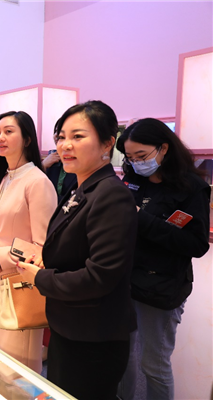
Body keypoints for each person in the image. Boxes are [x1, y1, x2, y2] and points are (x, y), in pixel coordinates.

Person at [16, 101, 138, 399]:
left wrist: (40, 278)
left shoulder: (111, 195)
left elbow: (100, 276)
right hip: (69, 324)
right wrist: (44, 258)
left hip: (94, 335)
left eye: (78, 136)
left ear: (107, 144)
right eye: (61, 137)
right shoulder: (80, 187)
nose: (65, 145)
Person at [116, 118, 210, 400]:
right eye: (130, 158)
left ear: (164, 148)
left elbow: (196, 244)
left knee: (154, 364)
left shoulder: (191, 187)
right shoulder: (133, 179)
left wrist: (141, 219)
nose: (136, 163)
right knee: (122, 355)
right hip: (125, 279)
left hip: (161, 287)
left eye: (141, 156)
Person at [0, 111, 57, 375]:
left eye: (9, 132)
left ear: (27, 139)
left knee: (17, 371)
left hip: (20, 286)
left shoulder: (37, 182)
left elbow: (42, 247)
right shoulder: (2, 179)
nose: (0, 138)